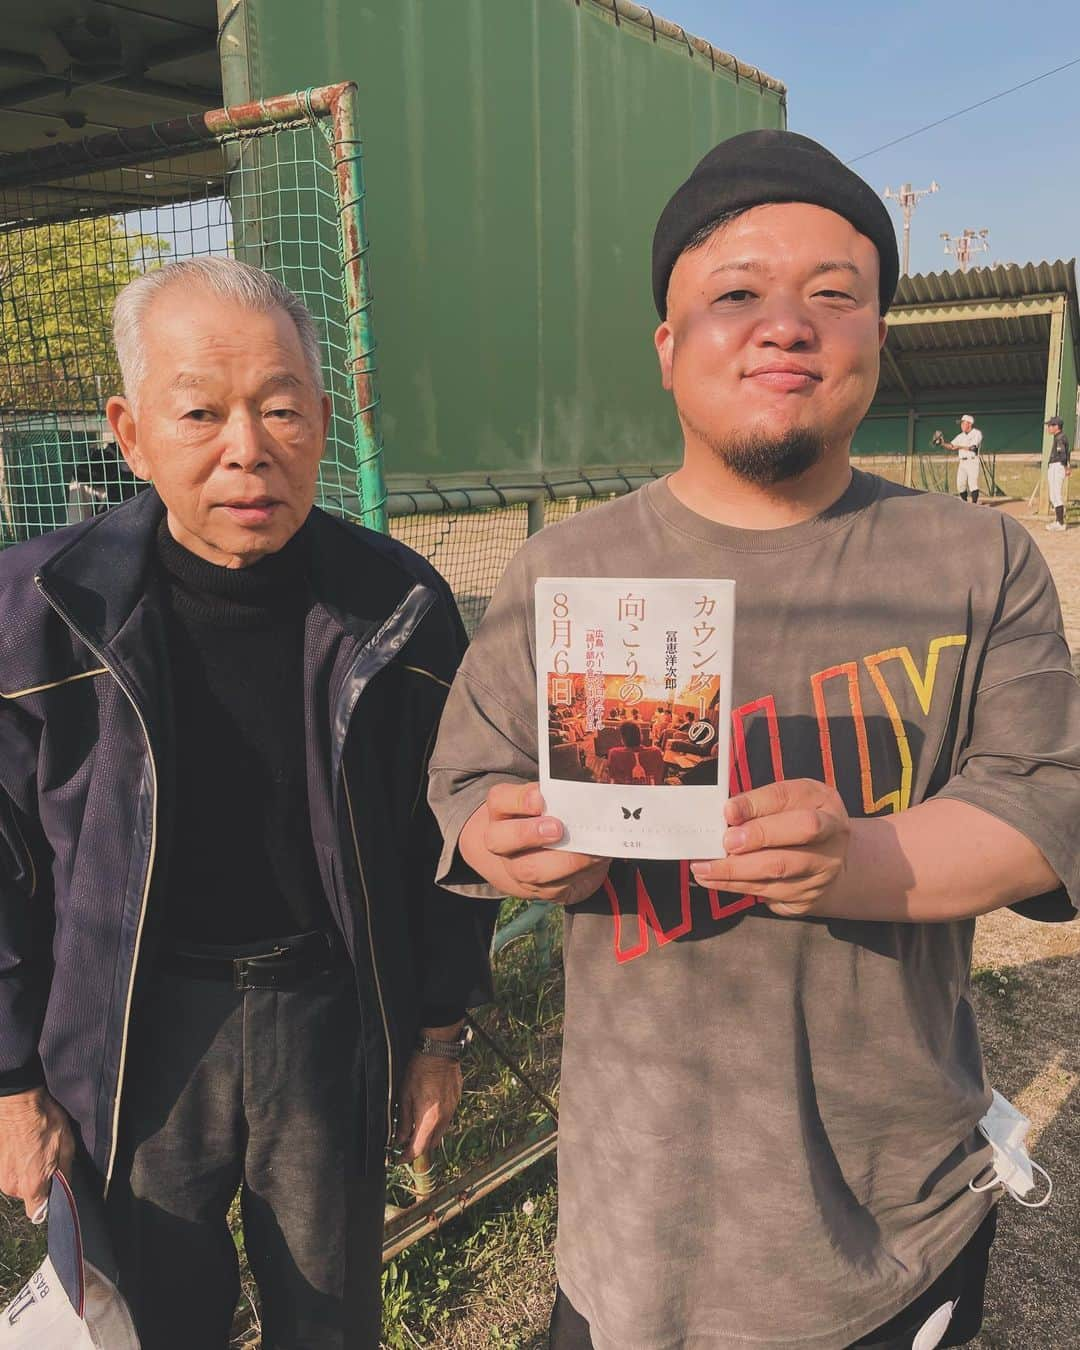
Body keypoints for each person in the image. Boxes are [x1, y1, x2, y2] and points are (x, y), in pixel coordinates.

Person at [428, 130, 1080, 1350]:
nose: (787, 324)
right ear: (670, 351)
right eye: (736, 294)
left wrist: (856, 862)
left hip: (885, 1226)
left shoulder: (976, 560)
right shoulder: (568, 568)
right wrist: (502, 836)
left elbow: (1048, 804)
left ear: (878, 341)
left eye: (835, 295)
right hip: (630, 1220)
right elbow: (466, 771)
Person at [0, 258, 492, 1349]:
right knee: (154, 1320)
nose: (246, 448)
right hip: (131, 1029)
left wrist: (439, 1033)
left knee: (329, 1317)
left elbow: (450, 841)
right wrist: (9, 1081)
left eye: (278, 409)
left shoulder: (401, 607)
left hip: (326, 1010)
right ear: (130, 434)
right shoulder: (37, 613)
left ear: (323, 418)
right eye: (199, 411)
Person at [936, 414, 984, 503]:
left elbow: (973, 448)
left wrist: (959, 446)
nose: (961, 425)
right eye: (961, 423)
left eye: (963, 423)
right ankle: (965, 503)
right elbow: (952, 446)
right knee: (960, 485)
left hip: (972, 461)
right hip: (962, 462)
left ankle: (974, 505)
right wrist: (942, 443)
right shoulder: (960, 435)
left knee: (973, 484)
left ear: (969, 424)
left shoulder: (976, 433)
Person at [605, 721, 665, 785]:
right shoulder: (656, 752)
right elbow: (660, 778)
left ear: (622, 739)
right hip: (650, 793)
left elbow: (612, 777)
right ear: (641, 736)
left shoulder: (614, 754)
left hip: (623, 793)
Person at [1045, 414, 1071, 531]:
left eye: (1050, 425)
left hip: (1057, 466)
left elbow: (1063, 455)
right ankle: (1058, 521)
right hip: (1056, 466)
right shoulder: (1059, 437)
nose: (1048, 428)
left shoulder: (1060, 438)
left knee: (1056, 494)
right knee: (1054, 495)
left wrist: (1065, 467)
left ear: (1056, 426)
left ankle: (1060, 523)